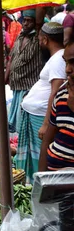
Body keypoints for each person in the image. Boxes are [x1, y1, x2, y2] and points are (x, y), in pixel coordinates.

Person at [17, 23, 66, 179]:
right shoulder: (56, 58)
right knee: (36, 154)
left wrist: (46, 124)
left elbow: (55, 91)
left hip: (41, 116)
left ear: (45, 40)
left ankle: (40, 185)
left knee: (41, 154)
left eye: (39, 40)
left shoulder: (58, 59)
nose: (39, 43)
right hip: (36, 114)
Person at [6, 9, 44, 133]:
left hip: (29, 87)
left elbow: (39, 23)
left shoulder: (38, 38)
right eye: (25, 20)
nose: (26, 23)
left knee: (24, 123)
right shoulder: (20, 36)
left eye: (29, 21)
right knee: (17, 123)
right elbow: (12, 58)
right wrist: (5, 77)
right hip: (17, 85)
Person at [39, 42, 74, 172]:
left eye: (73, 62)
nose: (67, 70)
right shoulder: (62, 94)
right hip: (53, 179)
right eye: (66, 63)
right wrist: (41, 179)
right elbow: (47, 140)